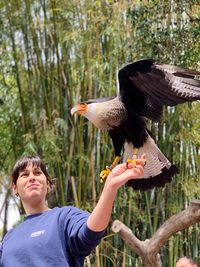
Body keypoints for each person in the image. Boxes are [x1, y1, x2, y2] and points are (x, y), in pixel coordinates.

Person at [0, 154, 146, 267]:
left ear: (48, 184)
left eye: (37, 173)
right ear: (14, 188)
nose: (32, 177)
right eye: (24, 175)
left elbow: (90, 232)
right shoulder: (8, 239)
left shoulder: (63, 217)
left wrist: (110, 187)